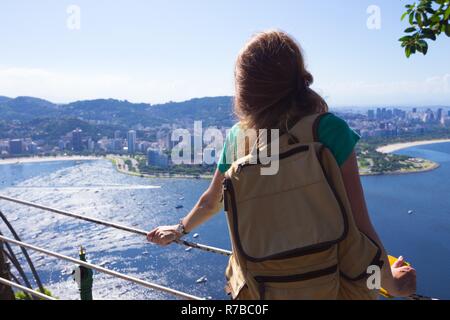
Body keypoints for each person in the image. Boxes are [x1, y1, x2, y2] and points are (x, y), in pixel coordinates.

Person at [147, 30, 416, 299]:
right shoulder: (328, 131)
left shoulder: (240, 138)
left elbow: (211, 201)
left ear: (244, 88)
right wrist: (392, 283)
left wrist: (180, 229)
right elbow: (359, 229)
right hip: (332, 286)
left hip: (261, 290)